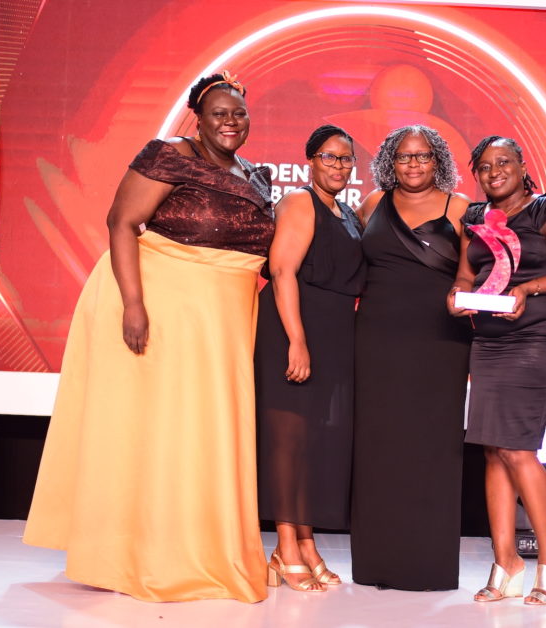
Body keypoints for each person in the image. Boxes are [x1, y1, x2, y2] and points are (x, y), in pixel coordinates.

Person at [23, 72, 274, 603]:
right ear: (198, 119)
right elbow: (120, 222)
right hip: (161, 305)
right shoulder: (170, 155)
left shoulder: (254, 173)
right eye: (219, 114)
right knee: (156, 432)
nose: (231, 122)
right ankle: (143, 553)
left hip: (220, 321)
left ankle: (202, 545)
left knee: (202, 433)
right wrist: (134, 305)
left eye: (239, 114)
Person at [448, 136, 546, 605]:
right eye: (484, 167)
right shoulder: (474, 219)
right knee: (492, 452)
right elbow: (468, 274)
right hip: (488, 340)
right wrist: (458, 294)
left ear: (522, 165)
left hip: (534, 339)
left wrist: (530, 290)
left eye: (503, 162)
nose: (494, 172)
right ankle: (505, 561)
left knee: (520, 450)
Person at [350, 125, 471, 591]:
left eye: (423, 156)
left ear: (437, 160)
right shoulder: (371, 206)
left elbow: (482, 272)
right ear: (389, 161)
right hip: (377, 339)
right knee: (379, 447)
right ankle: (378, 562)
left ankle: (428, 565)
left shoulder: (459, 208)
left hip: (440, 340)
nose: (414, 165)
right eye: (404, 157)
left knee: (432, 449)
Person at [255, 124, 366, 592]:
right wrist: (296, 341)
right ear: (310, 161)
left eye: (345, 159)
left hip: (334, 332)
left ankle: (306, 544)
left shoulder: (346, 213)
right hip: (294, 327)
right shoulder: (300, 202)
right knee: (288, 442)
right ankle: (283, 547)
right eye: (329, 157)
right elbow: (282, 272)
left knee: (311, 446)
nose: (338, 166)